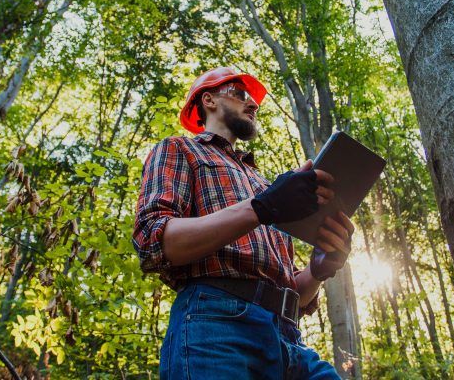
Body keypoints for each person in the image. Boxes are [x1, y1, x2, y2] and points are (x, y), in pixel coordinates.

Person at [133, 67, 355, 379]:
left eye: (252, 99)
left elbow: (295, 291)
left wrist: (319, 269)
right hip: (215, 328)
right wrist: (264, 206)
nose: (252, 104)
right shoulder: (178, 149)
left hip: (289, 338)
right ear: (208, 100)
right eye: (240, 94)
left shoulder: (264, 182)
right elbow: (153, 242)